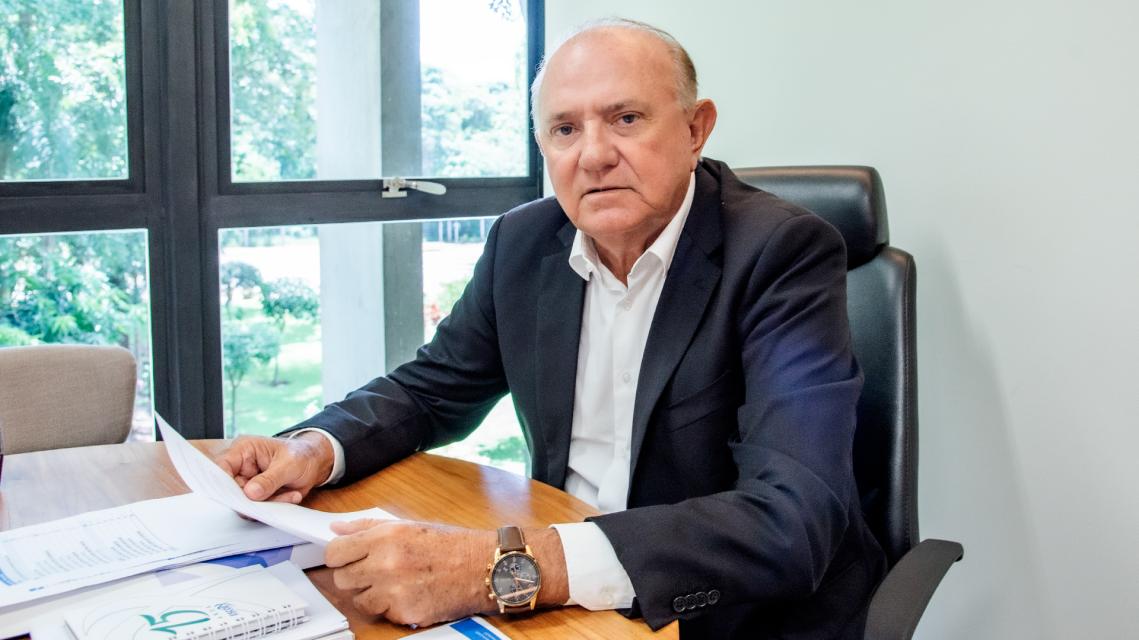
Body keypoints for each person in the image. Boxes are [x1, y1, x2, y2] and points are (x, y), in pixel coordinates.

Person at [215, 18, 886, 639]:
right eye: (564, 129)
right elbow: (431, 388)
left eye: (625, 118)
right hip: (561, 599)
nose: (593, 155)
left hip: (722, 612)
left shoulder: (781, 252)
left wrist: (504, 567)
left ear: (695, 129)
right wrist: (317, 446)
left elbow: (791, 519)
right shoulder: (524, 241)